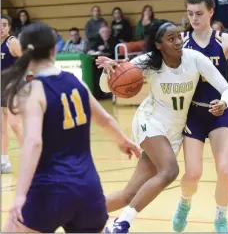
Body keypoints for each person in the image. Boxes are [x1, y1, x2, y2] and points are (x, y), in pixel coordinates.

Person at [96, 19, 228, 233]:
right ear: (159, 44)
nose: (179, 41)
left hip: (174, 131)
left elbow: (227, 90)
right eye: (171, 39)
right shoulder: (148, 62)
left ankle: (75, 212)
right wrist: (109, 71)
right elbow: (107, 87)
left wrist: (223, 102)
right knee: (170, 170)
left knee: (129, 195)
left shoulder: (195, 58)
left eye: (179, 36)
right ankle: (121, 224)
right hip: (151, 121)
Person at [2, 22, 141, 233]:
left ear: (24, 51)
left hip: (50, 189)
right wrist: (123, 140)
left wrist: (20, 194)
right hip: (88, 188)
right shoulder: (76, 82)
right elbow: (105, 119)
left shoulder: (33, 90)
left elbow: (33, 142)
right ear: (54, 49)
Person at [172, 0, 228, 233]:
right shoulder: (180, 41)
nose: (194, 18)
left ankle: (221, 217)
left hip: (221, 111)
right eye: (190, 13)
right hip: (193, 113)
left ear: (211, 12)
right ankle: (185, 202)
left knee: (225, 169)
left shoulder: (224, 40)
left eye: (199, 13)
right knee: (193, 174)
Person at [1, 14, 23, 174]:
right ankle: (4, 161)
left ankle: (33, 157)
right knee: (1, 127)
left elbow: (29, 62)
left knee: (15, 125)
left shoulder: (12, 42)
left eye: (4, 25)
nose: (1, 28)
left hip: (13, 87)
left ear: (9, 27)